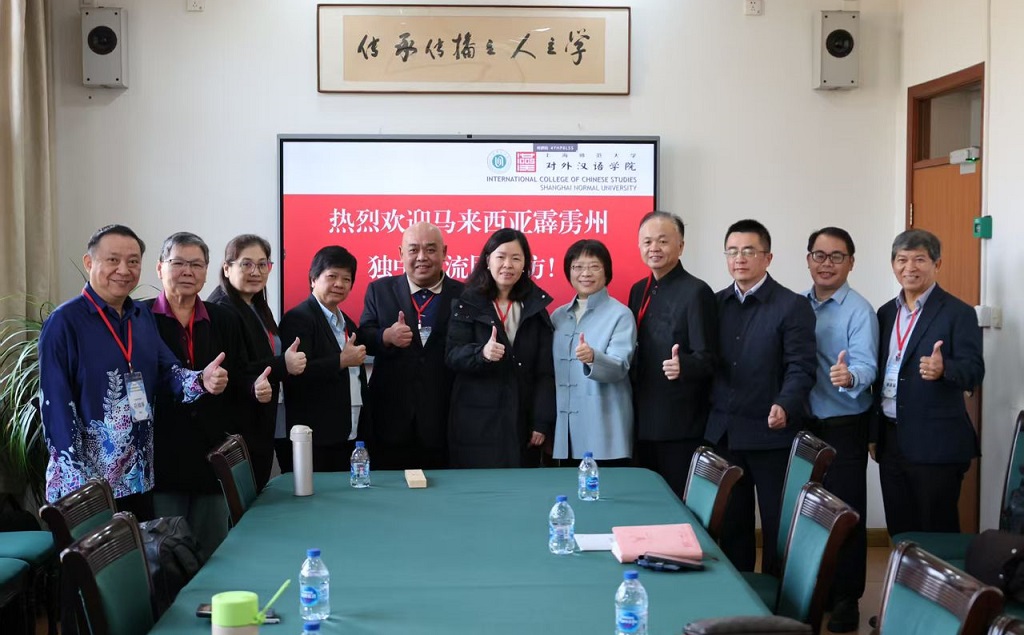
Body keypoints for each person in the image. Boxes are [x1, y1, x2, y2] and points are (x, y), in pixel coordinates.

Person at [38, 224, 228, 520]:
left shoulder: (141, 316)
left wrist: (200, 380)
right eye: (113, 260)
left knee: (142, 550)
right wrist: (81, 487)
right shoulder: (64, 322)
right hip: (88, 487)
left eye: (133, 261)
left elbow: (168, 371)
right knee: (98, 554)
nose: (124, 270)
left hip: (138, 477)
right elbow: (56, 408)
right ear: (89, 262)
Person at [147, 232, 271, 555]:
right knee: (164, 554)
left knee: (213, 550)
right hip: (162, 456)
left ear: (206, 271)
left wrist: (253, 386)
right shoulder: (141, 318)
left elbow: (240, 373)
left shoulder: (223, 318)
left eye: (196, 264)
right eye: (178, 263)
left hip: (211, 454)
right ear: (160, 268)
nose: (188, 271)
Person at [706, 219, 817, 575]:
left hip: (772, 434)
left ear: (767, 258)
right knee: (731, 524)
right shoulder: (716, 304)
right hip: (726, 434)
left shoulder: (791, 305)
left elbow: (801, 366)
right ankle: (739, 593)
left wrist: (785, 403)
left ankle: (776, 598)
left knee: (776, 524)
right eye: (732, 251)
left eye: (749, 251)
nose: (739, 258)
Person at [872, 229, 984, 536]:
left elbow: (975, 371)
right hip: (892, 440)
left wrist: (945, 368)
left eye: (919, 259)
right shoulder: (885, 313)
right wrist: (873, 434)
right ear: (893, 264)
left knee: (936, 533)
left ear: (937, 264)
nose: (910, 267)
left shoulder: (958, 313)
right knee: (900, 531)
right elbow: (880, 376)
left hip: (937, 444)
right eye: (902, 259)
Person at [802, 227, 879, 632]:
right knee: (810, 513)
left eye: (836, 256)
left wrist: (849, 377)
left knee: (846, 513)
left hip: (844, 425)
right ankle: (815, 592)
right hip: (803, 426)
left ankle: (847, 598)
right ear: (808, 260)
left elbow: (867, 365)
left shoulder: (859, 310)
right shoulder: (796, 305)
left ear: (851, 262)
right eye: (819, 255)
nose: (826, 264)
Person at [357, 222, 464, 470]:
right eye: (414, 250)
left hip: (444, 416)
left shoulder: (465, 294)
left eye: (430, 249)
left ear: (444, 252)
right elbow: (363, 336)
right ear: (401, 253)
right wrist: (386, 336)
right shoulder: (380, 290)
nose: (422, 257)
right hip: (390, 416)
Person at [445, 228, 555, 468]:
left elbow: (545, 373)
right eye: (501, 257)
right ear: (488, 260)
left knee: (518, 485)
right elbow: (452, 355)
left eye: (516, 258)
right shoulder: (468, 303)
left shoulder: (535, 308)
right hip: (476, 419)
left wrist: (541, 421)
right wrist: (481, 353)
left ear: (525, 264)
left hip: (521, 418)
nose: (508, 265)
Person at [628, 211, 718, 496]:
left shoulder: (697, 292)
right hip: (640, 417)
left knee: (677, 502)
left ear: (681, 246)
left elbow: (709, 357)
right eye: (647, 242)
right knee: (647, 501)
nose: (654, 248)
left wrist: (684, 366)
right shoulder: (638, 290)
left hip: (680, 424)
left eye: (663, 241)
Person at [207, 234, 306, 487]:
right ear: (227, 268)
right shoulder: (221, 308)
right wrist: (283, 364)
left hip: (260, 420)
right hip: (238, 425)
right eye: (246, 264)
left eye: (263, 264)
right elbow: (233, 369)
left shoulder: (256, 304)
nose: (256, 271)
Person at [280, 245, 367, 472]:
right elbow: (297, 374)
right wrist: (341, 360)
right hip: (315, 435)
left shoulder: (347, 322)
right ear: (313, 279)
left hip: (347, 430)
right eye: (332, 276)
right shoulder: (298, 318)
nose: (340, 284)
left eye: (346, 279)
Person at [551, 239, 636, 465]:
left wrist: (593, 358)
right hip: (565, 433)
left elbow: (620, 366)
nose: (585, 273)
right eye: (577, 267)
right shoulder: (558, 316)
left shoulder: (620, 314)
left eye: (594, 266)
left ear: (606, 272)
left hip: (606, 429)